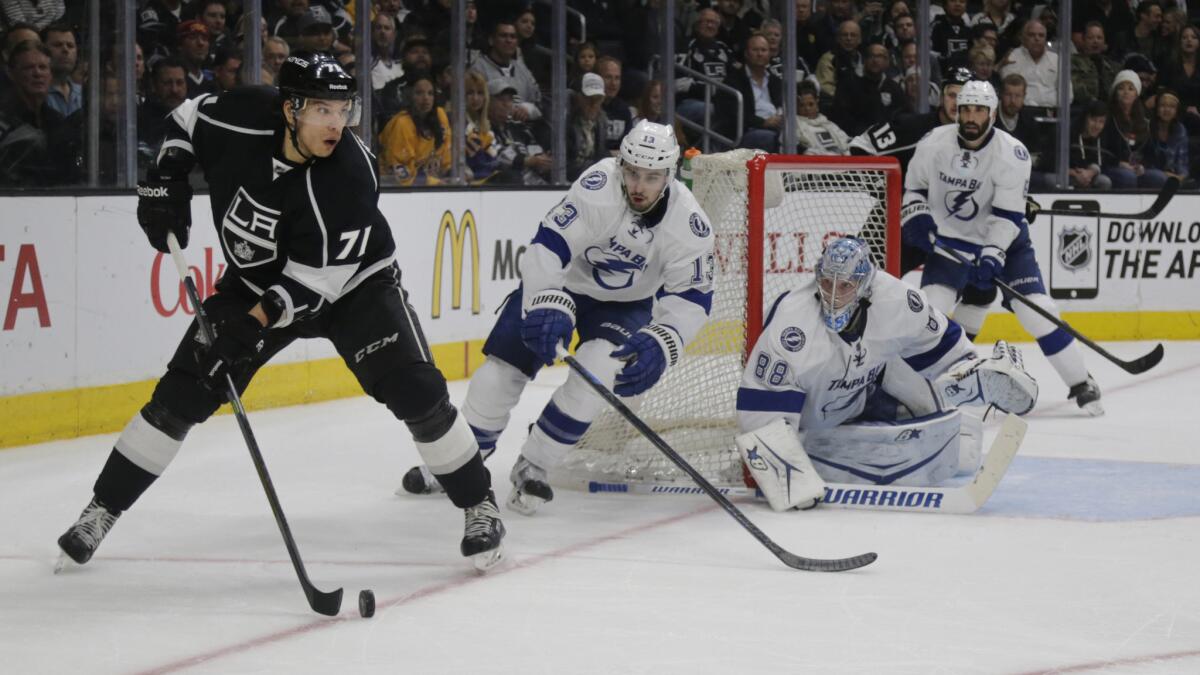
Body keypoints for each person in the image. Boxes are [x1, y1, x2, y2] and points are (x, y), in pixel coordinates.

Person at [54, 52, 505, 573]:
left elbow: (316, 283)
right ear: (289, 109)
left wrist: (248, 328)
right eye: (322, 110)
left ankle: (479, 505)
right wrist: (167, 179)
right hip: (253, 282)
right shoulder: (240, 113)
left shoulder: (350, 174)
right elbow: (186, 118)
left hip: (353, 286)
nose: (336, 124)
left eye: (343, 110)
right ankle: (100, 511)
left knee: (417, 392)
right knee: (181, 395)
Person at [401, 120, 716, 516]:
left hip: (624, 304)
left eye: (652, 177)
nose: (638, 185)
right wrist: (547, 299)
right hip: (563, 284)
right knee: (498, 373)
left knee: (596, 375)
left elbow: (693, 297)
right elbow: (548, 247)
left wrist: (665, 341)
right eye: (633, 172)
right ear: (621, 164)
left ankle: (535, 465)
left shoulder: (689, 223)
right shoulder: (598, 185)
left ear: (669, 175)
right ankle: (457, 465)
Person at [733, 237, 1038, 508]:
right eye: (827, 283)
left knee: (959, 440)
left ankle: (958, 396)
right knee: (957, 451)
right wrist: (788, 475)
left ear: (866, 284)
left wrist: (969, 370)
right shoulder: (793, 327)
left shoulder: (899, 300)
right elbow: (761, 411)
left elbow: (944, 349)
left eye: (846, 286)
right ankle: (835, 447)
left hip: (862, 391)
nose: (834, 295)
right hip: (810, 420)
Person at [901, 80, 1103, 415]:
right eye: (966, 108)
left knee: (1035, 310)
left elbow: (1008, 215)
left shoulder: (1012, 153)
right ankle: (920, 388)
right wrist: (917, 216)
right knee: (933, 313)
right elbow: (915, 189)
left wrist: (993, 254)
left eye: (979, 110)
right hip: (950, 241)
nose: (971, 116)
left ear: (992, 113)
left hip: (1007, 244)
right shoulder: (934, 143)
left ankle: (1081, 381)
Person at [377, 72, 451, 186]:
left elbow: (446, 157)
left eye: (430, 93)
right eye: (419, 93)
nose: (426, 98)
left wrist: (452, 173)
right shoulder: (402, 123)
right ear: (409, 95)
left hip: (427, 182)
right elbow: (400, 172)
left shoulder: (440, 115)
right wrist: (432, 182)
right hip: (390, 186)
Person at [568, 72, 609, 179]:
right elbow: (567, 166)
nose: (593, 104)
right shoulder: (567, 124)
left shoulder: (602, 122)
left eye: (598, 99)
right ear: (579, 98)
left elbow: (600, 154)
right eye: (589, 99)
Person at [795, 81, 850, 154]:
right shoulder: (794, 125)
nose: (807, 109)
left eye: (811, 104)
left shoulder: (828, 124)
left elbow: (847, 142)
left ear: (817, 101)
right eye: (802, 105)